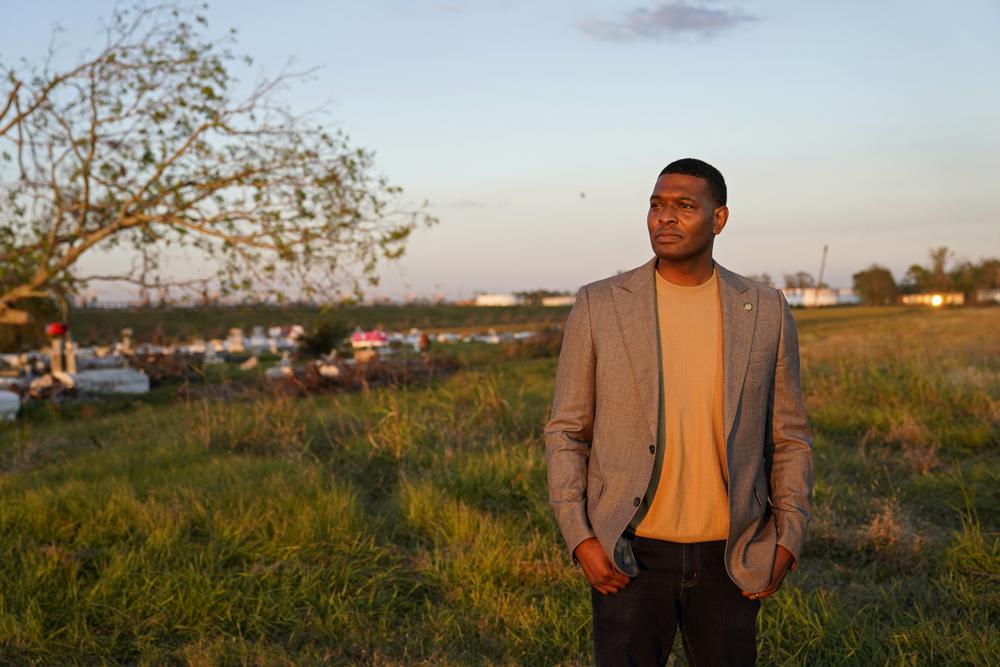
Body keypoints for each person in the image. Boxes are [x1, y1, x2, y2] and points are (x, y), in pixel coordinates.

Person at [545, 158, 814, 666]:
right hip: (627, 550)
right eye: (656, 205)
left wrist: (788, 538)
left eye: (684, 206)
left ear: (719, 219)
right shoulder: (600, 304)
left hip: (732, 553)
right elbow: (566, 431)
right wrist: (581, 539)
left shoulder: (766, 309)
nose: (664, 217)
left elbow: (790, 438)